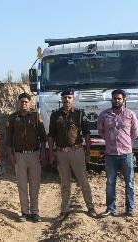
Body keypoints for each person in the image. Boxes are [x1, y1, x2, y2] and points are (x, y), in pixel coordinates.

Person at [48, 87, 97, 221]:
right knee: (65, 183)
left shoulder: (80, 114)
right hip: (61, 154)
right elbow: (51, 135)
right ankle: (64, 210)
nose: (67, 100)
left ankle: (90, 207)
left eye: (69, 98)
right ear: (61, 99)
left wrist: (87, 152)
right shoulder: (55, 115)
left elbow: (87, 134)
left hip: (77, 152)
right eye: (64, 98)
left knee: (83, 181)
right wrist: (51, 153)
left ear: (73, 99)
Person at [6, 93, 47, 222]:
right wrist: (10, 155)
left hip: (34, 155)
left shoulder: (35, 117)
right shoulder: (12, 118)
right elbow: (8, 139)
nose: (24, 104)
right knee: (22, 184)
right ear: (18, 103)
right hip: (19, 155)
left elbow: (43, 137)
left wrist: (42, 152)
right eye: (21, 102)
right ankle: (24, 212)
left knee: (35, 184)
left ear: (30, 103)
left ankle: (34, 212)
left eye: (26, 102)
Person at [97, 89, 138, 217]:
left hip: (126, 154)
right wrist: (110, 141)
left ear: (123, 100)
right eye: (114, 98)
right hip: (110, 154)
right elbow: (101, 131)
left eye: (119, 98)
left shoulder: (130, 114)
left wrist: (126, 143)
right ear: (112, 99)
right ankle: (110, 209)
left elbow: (134, 133)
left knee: (129, 182)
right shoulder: (104, 115)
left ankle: (130, 208)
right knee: (110, 183)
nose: (117, 100)